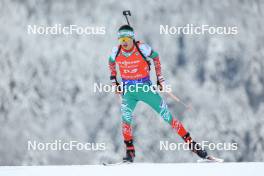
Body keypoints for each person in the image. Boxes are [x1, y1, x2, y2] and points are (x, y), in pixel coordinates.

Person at [108, 25, 208, 162]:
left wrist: (160, 79)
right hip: (129, 92)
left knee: (168, 117)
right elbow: (111, 63)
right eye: (121, 40)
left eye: (126, 39)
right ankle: (129, 152)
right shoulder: (116, 51)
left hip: (146, 89)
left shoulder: (142, 48)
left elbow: (155, 57)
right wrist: (114, 80)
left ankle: (193, 145)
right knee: (125, 119)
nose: (123, 42)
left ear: (131, 38)